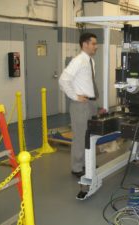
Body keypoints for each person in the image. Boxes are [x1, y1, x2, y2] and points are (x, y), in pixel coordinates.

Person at [59, 32, 100, 178]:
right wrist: (75, 96)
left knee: (90, 135)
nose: (96, 46)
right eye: (93, 43)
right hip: (80, 105)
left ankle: (86, 163)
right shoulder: (78, 60)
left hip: (90, 103)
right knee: (80, 136)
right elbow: (63, 80)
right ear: (85, 44)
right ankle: (77, 168)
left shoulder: (90, 61)